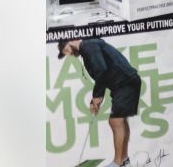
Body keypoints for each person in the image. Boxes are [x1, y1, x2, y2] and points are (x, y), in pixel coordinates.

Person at [58, 38, 141, 167]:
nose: (69, 54)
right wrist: (95, 100)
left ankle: (118, 162)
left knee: (115, 121)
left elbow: (101, 71)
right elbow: (102, 75)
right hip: (122, 84)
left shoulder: (88, 46)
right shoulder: (88, 49)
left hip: (126, 83)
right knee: (120, 121)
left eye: (67, 50)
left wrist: (97, 96)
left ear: (72, 41)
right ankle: (124, 160)